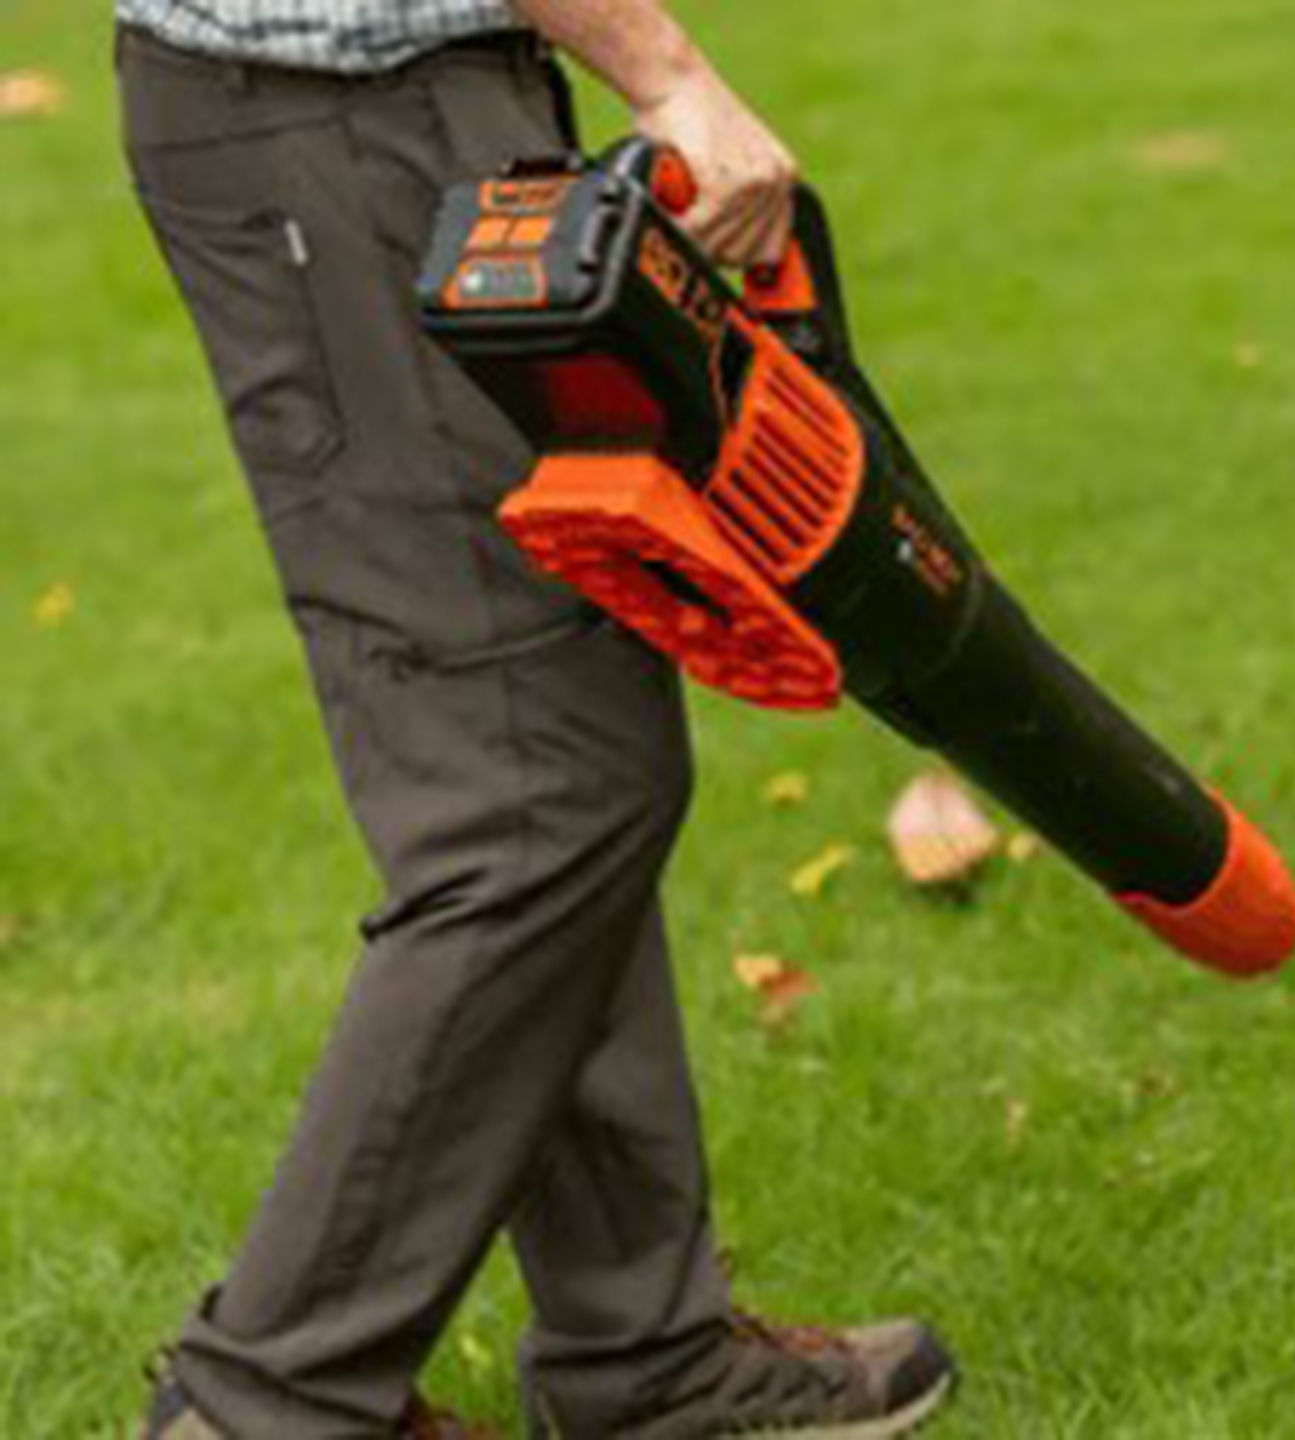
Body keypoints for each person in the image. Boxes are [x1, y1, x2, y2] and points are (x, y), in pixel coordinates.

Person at [115, 1, 957, 1435]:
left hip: (387, 109)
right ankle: (270, 1399)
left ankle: (647, 1353)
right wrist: (663, 68)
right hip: (342, 123)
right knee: (529, 799)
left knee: (569, 741)